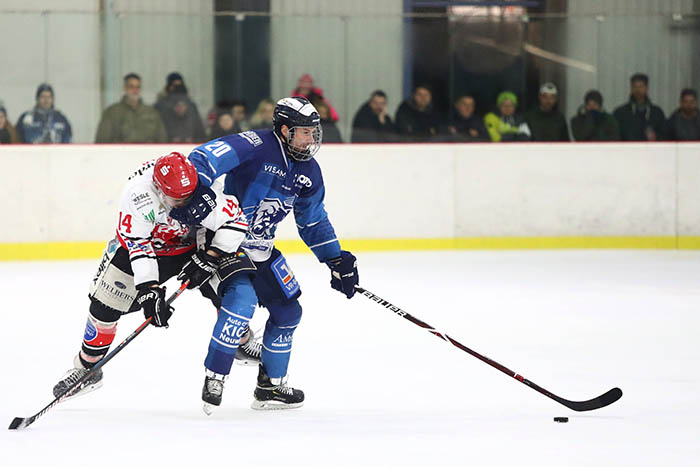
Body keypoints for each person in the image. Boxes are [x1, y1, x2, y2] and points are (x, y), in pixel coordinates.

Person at [185, 96, 359, 412]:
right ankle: (215, 376)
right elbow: (201, 158)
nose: (311, 139)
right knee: (242, 302)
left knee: (289, 312)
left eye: (313, 132)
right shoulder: (254, 145)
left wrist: (336, 258)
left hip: (261, 247)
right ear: (283, 129)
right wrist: (197, 197)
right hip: (225, 241)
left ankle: (270, 388)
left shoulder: (310, 171)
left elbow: (313, 220)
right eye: (304, 132)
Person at [52, 152, 261, 402]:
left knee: (231, 287)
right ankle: (86, 369)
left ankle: (239, 339)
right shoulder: (138, 195)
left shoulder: (205, 185)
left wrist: (211, 256)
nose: (184, 203)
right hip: (151, 248)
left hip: (196, 245)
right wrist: (148, 288)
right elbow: (138, 243)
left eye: (189, 197)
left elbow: (236, 221)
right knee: (104, 306)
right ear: (160, 191)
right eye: (177, 199)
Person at [95, 73, 167, 143]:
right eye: (131, 87)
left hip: (147, 153)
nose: (135, 91)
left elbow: (162, 140)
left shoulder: (152, 113)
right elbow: (102, 141)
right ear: (125, 88)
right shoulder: (112, 112)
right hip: (121, 153)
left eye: (137, 87)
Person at [613, 73, 666, 141]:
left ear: (646, 88)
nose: (637, 90)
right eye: (634, 87)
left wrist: (656, 137)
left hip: (651, 150)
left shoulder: (656, 112)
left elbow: (666, 135)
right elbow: (614, 136)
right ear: (631, 88)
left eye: (641, 86)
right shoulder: (620, 113)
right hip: (627, 150)